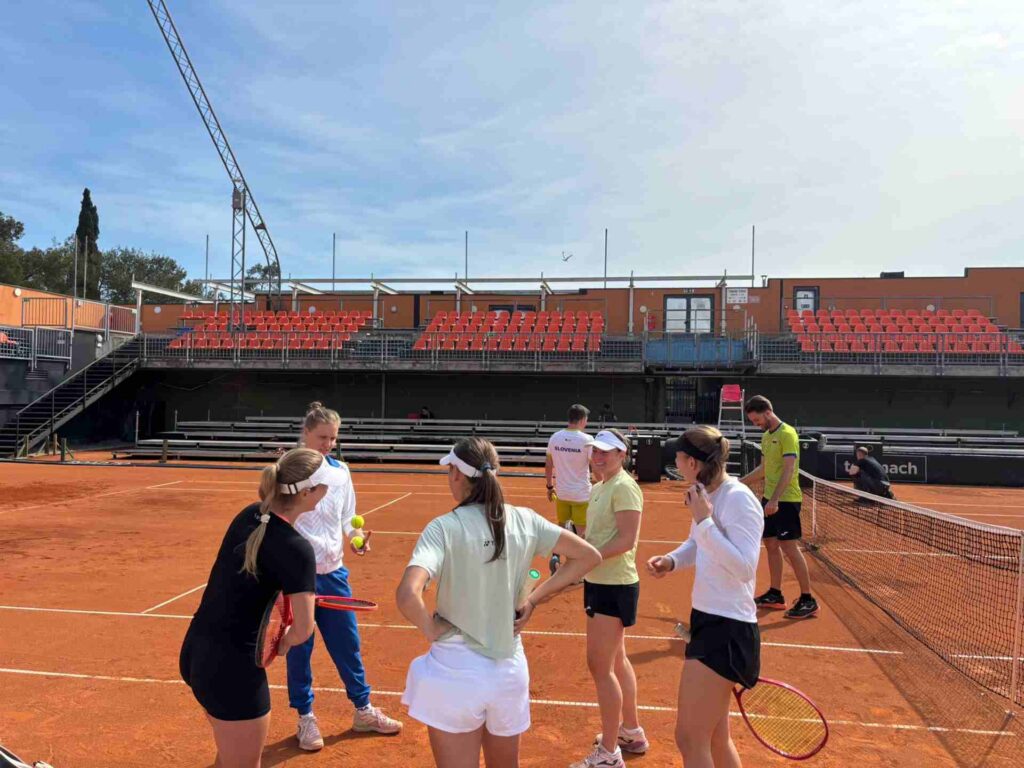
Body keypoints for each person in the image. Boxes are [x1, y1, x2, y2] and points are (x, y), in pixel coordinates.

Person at [397, 438, 601, 768]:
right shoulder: (526, 520)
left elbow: (408, 594)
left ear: (457, 474)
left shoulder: (443, 528)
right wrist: (533, 600)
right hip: (509, 671)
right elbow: (589, 556)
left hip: (455, 671)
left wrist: (430, 629)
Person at [179, 448, 349, 768]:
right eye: (324, 486)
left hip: (197, 654)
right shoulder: (297, 549)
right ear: (307, 493)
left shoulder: (248, 516)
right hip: (233, 672)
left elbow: (250, 582)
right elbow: (303, 630)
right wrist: (281, 643)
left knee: (228, 759)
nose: (328, 491)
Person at [287, 402, 402, 751]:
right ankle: (305, 717)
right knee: (300, 648)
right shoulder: (289, 470)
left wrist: (356, 540)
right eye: (322, 437)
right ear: (306, 433)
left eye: (333, 438)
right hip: (297, 577)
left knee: (347, 645)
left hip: (334, 574)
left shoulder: (341, 472)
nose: (328, 444)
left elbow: (347, 518)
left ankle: (363, 710)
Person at [648, 427, 764, 768]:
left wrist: (704, 520)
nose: (675, 463)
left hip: (728, 629)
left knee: (690, 737)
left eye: (679, 457)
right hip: (708, 619)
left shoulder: (738, 499)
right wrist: (672, 560)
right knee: (714, 738)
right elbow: (698, 543)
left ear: (693, 463)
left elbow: (744, 568)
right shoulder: (703, 493)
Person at [571, 429, 646, 768]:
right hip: (600, 581)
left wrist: (587, 557)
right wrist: (578, 544)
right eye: (595, 451)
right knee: (617, 661)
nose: (598, 457)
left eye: (606, 452)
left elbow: (626, 540)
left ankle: (610, 754)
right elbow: (600, 536)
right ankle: (631, 731)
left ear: (621, 455)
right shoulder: (600, 487)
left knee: (600, 667)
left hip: (613, 585)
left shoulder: (624, 487)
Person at [740, 396, 818, 619]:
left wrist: (774, 500)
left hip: (786, 500)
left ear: (767, 412)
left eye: (757, 420)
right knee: (771, 544)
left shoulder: (787, 434)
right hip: (769, 499)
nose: (756, 424)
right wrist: (738, 482)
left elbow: (788, 470)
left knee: (789, 547)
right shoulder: (766, 436)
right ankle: (775, 594)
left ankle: (807, 599)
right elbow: (764, 470)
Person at [546, 403, 594, 574]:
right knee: (581, 534)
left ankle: (556, 557)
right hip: (582, 494)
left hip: (562, 492)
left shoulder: (555, 437)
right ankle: (577, 569)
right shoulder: (587, 440)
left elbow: (549, 465)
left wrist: (549, 486)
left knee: (561, 529)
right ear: (582, 420)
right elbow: (594, 465)